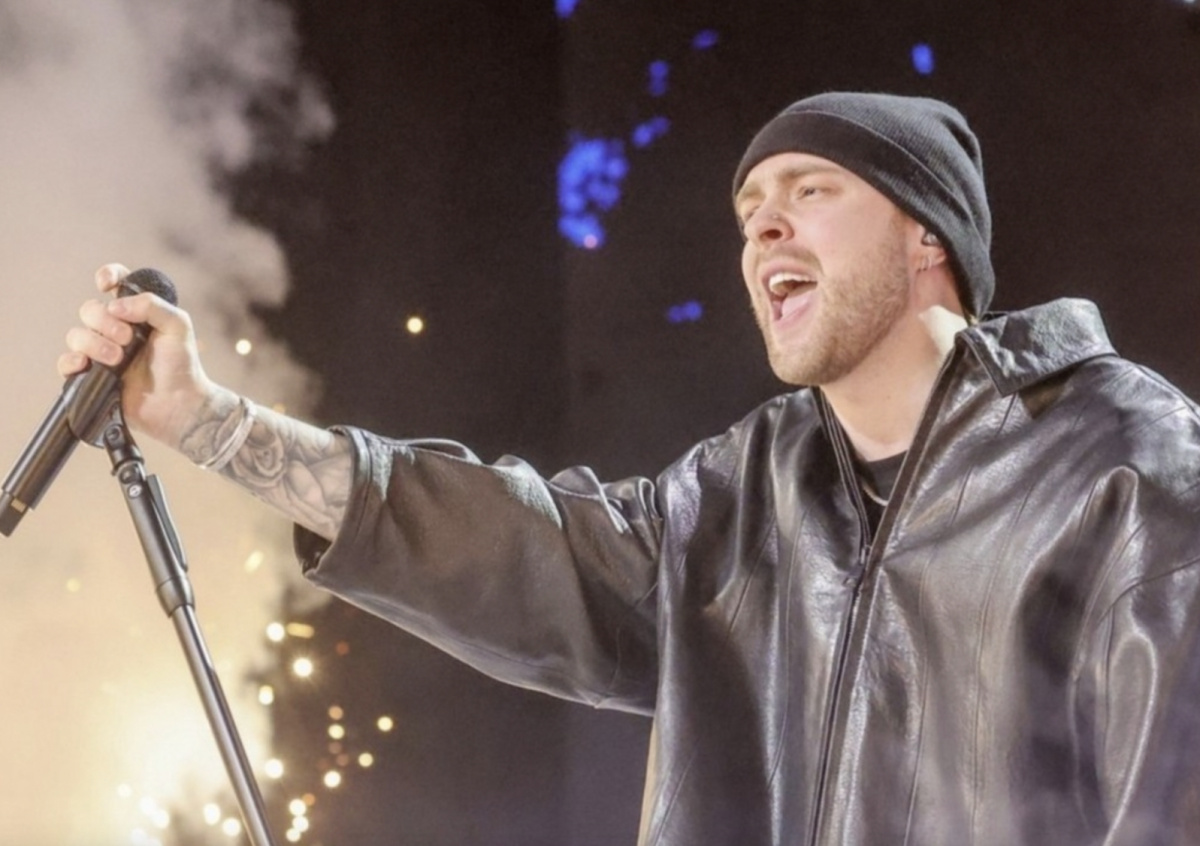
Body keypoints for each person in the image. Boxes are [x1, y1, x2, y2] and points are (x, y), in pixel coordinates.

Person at [61, 93, 1200, 845]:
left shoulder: (1118, 459)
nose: (763, 230)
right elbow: (519, 545)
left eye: (810, 191)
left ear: (928, 235)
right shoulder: (746, 492)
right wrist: (205, 421)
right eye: (749, 210)